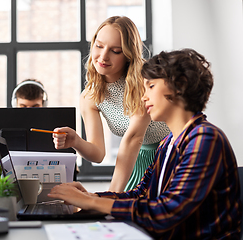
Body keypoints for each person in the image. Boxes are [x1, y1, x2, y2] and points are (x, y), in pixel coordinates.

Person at [48, 48, 242, 239]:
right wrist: (93, 197)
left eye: (150, 86)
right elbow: (143, 194)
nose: (143, 96)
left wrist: (90, 203)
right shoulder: (168, 142)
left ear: (180, 85)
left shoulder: (205, 139)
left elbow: (167, 212)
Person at [53, 16, 169, 192]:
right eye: (99, 46)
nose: (103, 56)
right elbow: (98, 154)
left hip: (170, 153)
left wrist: (111, 195)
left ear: (129, 55)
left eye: (115, 51)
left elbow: (134, 138)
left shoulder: (144, 80)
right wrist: (76, 141)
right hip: (136, 161)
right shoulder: (90, 96)